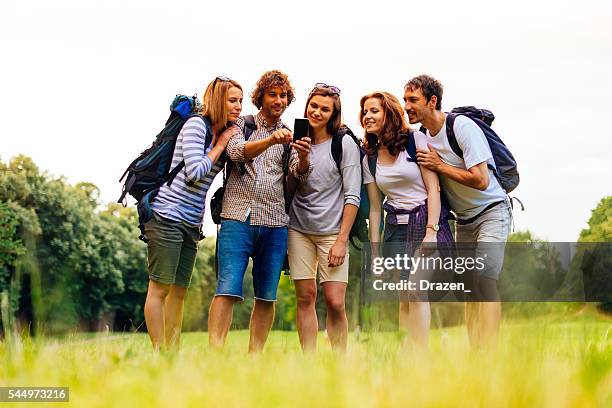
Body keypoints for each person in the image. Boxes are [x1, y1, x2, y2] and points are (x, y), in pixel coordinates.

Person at [405, 74, 512, 351]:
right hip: (463, 220)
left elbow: (481, 179)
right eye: (405, 100)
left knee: (484, 279)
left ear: (432, 100)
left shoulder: (461, 127)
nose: (407, 106)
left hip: (492, 211)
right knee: (470, 288)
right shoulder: (422, 137)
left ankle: (488, 352)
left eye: (413, 100)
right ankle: (475, 352)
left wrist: (440, 166)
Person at [208, 70, 312, 353]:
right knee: (227, 289)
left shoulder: (290, 135)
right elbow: (237, 152)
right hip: (236, 217)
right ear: (261, 98)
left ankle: (254, 358)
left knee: (267, 296)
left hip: (275, 222)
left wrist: (303, 156)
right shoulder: (241, 124)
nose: (278, 100)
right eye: (272, 95)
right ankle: (214, 354)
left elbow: (297, 175)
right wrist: (270, 140)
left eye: (283, 96)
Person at [144, 76, 243, 351]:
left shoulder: (223, 130)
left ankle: (172, 351)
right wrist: (221, 144)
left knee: (179, 291)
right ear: (217, 101)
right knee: (160, 289)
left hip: (191, 222)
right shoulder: (196, 126)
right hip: (167, 215)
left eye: (240, 101)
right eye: (232, 100)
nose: (237, 107)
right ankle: (159, 352)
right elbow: (194, 173)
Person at [360, 91, 453, 350]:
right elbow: (376, 209)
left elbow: (433, 189)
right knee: (403, 297)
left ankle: (419, 358)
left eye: (374, 111)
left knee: (416, 289)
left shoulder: (415, 139)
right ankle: (405, 356)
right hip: (395, 230)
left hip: (425, 223)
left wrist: (431, 232)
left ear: (389, 112)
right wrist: (375, 251)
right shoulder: (370, 157)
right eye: (365, 112)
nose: (367, 116)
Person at [287, 83, 361, 353]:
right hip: (299, 229)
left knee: (335, 301)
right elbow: (290, 185)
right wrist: (302, 158)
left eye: (325, 109)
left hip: (332, 231)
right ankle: (309, 360)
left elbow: (353, 195)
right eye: (314, 106)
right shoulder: (296, 141)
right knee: (305, 297)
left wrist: (342, 240)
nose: (317, 112)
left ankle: (339, 359)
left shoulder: (344, 143)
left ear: (334, 114)